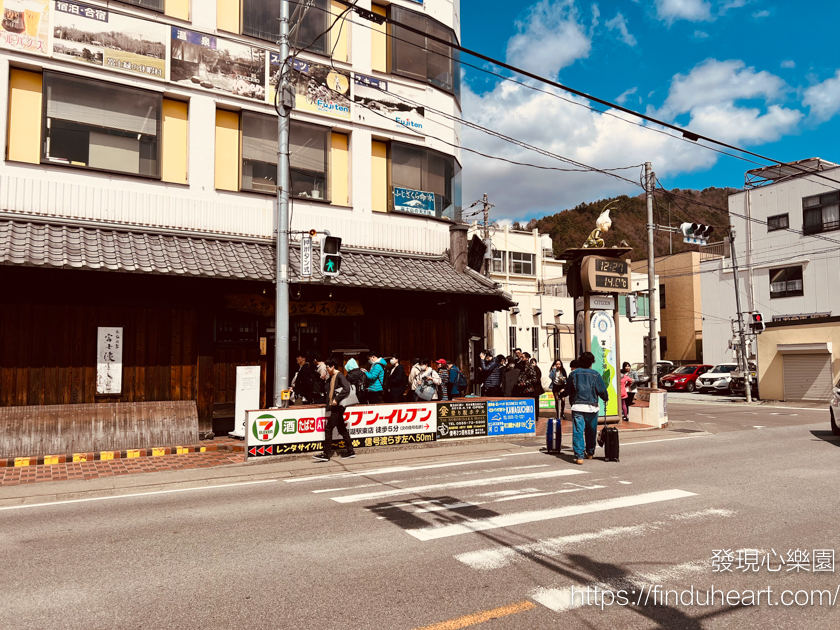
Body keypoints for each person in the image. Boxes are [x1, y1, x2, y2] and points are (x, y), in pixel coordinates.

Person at [568, 352, 609, 465]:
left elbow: (569, 390)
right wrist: (605, 398)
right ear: (592, 362)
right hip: (592, 407)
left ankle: (579, 456)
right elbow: (602, 390)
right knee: (591, 431)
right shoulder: (595, 374)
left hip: (577, 406)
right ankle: (590, 452)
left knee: (578, 431)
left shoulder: (573, 374)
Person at [312, 359, 356, 462]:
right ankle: (350, 451)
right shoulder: (331, 377)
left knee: (328, 429)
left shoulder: (339, 376)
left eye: (327, 367)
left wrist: (337, 399)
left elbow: (347, 388)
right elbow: (326, 390)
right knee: (342, 429)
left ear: (332, 367)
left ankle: (326, 454)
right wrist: (324, 380)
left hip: (338, 407)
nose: (326, 369)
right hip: (335, 407)